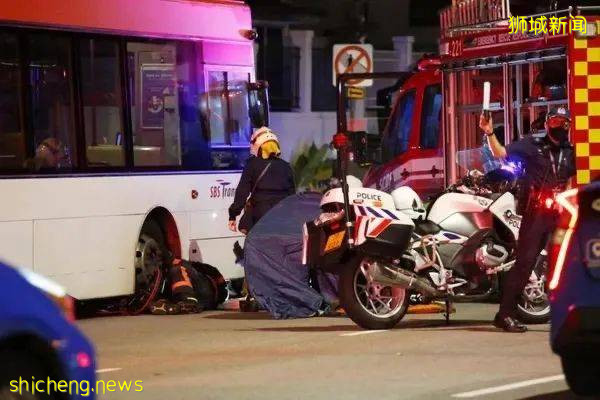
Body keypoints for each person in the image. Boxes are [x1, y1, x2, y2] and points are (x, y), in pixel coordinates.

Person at [480, 107, 575, 332]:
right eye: (554, 122)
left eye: (563, 123)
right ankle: (504, 315)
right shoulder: (532, 145)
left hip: (559, 213)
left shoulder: (570, 152)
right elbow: (500, 153)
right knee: (525, 264)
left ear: (568, 126)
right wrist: (489, 133)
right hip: (536, 214)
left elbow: (570, 180)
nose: (558, 127)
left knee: (560, 267)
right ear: (546, 125)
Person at [227, 127, 295, 234]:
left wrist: (233, 215)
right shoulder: (286, 166)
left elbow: (242, 192)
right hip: (283, 217)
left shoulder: (252, 165)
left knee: (256, 248)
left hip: (260, 216)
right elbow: (292, 196)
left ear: (258, 145)